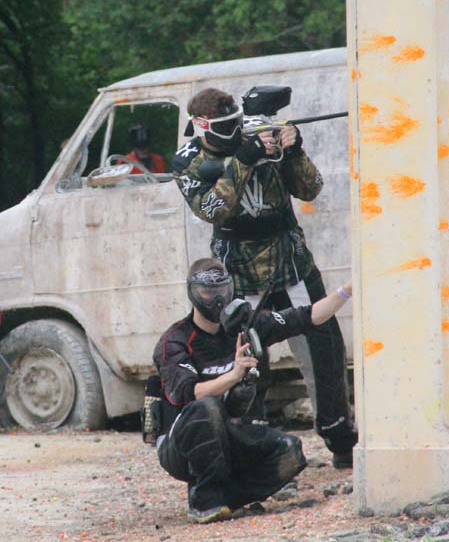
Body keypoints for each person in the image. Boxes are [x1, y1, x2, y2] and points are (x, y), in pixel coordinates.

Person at [171, 88, 357, 469]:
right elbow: (214, 209)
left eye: (236, 122)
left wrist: (294, 150)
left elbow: (311, 188)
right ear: (201, 126)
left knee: (325, 352)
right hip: (238, 275)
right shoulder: (187, 160)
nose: (235, 130)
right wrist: (244, 160)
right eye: (225, 125)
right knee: (246, 365)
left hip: (292, 265)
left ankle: (341, 439)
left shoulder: (262, 134)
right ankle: (254, 450)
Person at [153, 258, 354, 523]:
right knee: (206, 407)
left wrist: (349, 289)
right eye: (207, 292)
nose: (216, 299)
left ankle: (227, 496)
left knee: (289, 452)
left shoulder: (245, 326)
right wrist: (234, 374)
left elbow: (307, 317)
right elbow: (191, 394)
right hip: (179, 445)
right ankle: (205, 500)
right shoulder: (175, 340)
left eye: (222, 290)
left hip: (229, 435)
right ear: (192, 293)